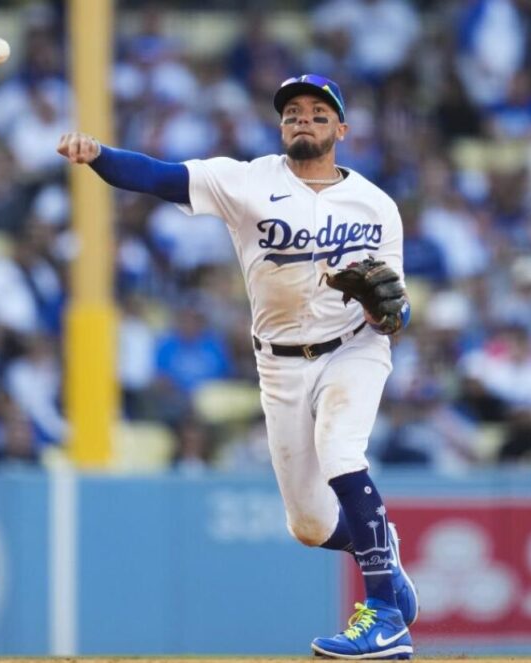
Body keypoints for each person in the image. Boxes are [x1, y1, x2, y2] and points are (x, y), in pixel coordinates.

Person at [58, 74, 418, 659]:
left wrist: (388, 312)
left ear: (341, 130)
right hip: (279, 363)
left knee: (341, 451)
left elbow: (395, 312)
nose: (304, 119)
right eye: (293, 112)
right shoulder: (248, 180)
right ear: (281, 126)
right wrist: (99, 155)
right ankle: (381, 546)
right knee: (308, 525)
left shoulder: (376, 205)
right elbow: (159, 176)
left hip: (353, 349)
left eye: (318, 113)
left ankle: (383, 616)